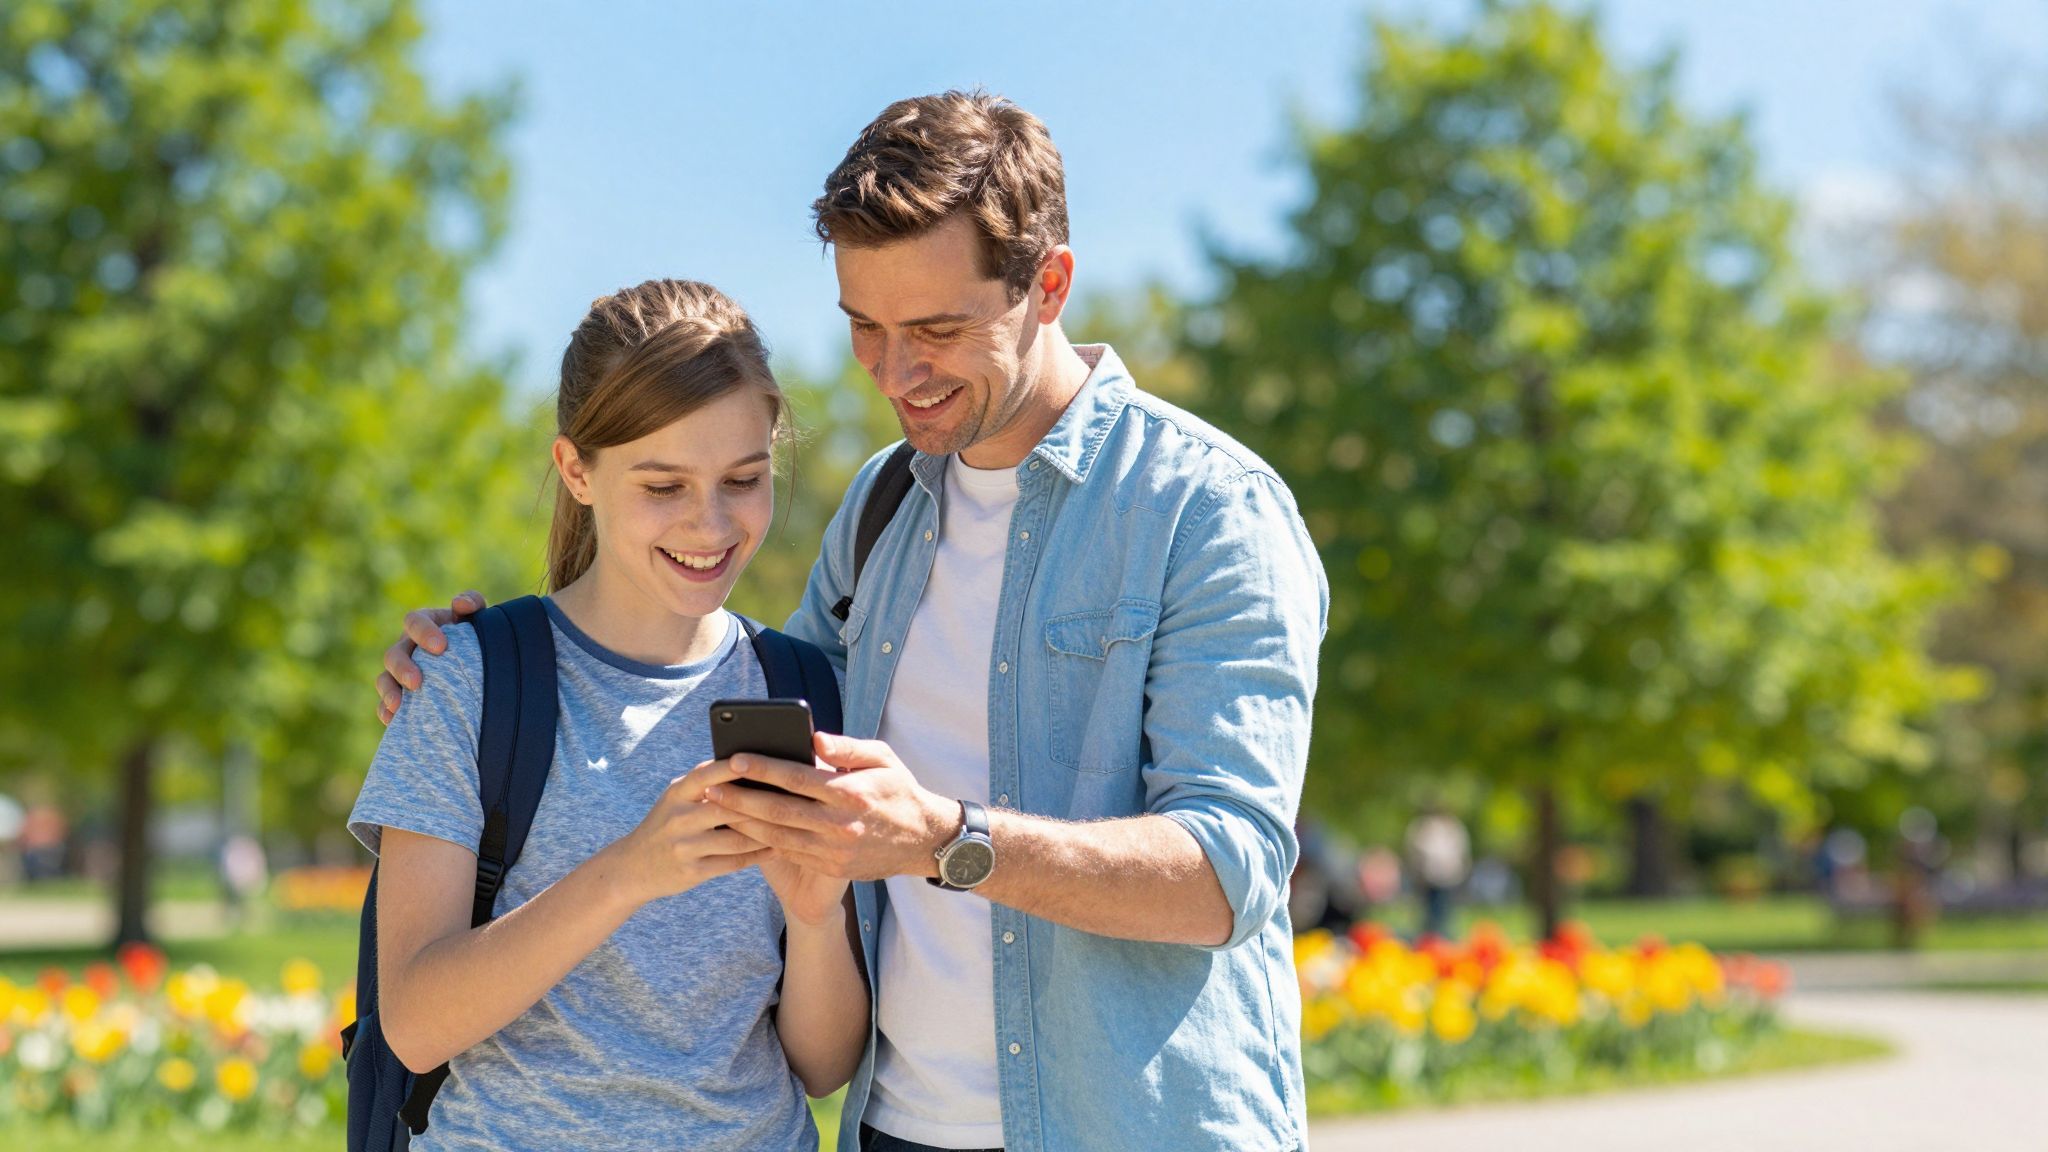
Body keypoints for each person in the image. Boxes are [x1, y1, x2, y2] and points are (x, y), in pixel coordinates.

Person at [381, 92, 1327, 1152]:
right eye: (864, 328)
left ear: (1049, 285)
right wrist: (472, 662)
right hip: (897, 1128)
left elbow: (1230, 870)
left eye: (936, 330)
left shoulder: (1205, 510)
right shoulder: (884, 506)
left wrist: (946, 841)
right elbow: (715, 679)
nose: (894, 373)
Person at [352, 279, 867, 1150]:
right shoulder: (468, 678)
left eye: (743, 479)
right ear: (576, 471)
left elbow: (821, 1068)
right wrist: (629, 872)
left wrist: (818, 918)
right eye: (664, 486)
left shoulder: (805, 688)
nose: (710, 524)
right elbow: (413, 1023)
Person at [1403, 804, 1470, 940]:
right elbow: (1416, 850)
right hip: (1428, 877)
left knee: (1444, 909)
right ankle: (1430, 937)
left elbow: (1460, 851)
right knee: (1430, 909)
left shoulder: (1452, 827)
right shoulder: (1423, 826)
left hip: (1448, 877)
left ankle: (1440, 937)